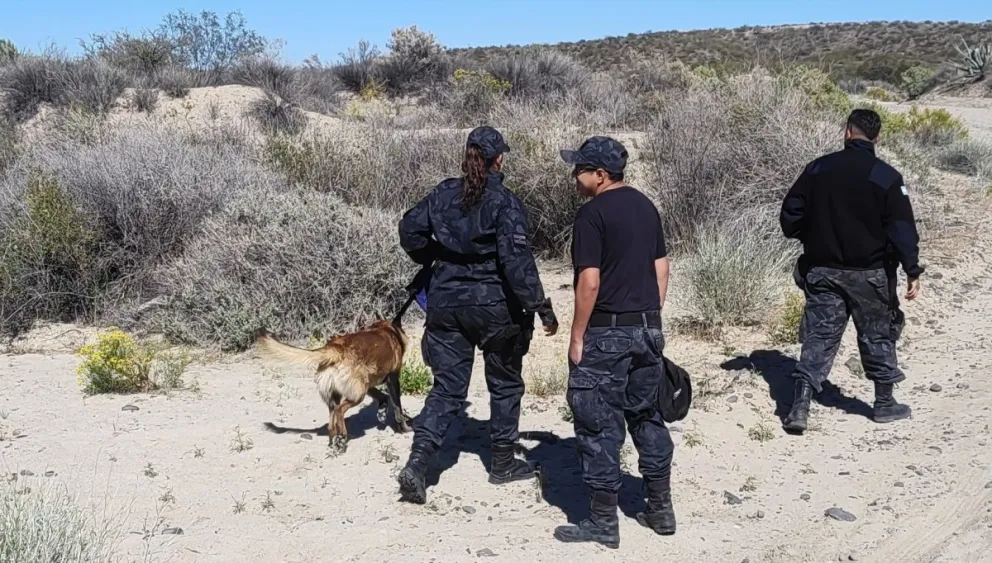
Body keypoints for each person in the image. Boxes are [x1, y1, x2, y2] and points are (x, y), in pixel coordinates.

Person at [395, 126, 559, 504]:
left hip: (446, 304)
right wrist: (540, 307)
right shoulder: (504, 201)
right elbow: (517, 262)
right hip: (495, 307)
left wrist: (433, 255)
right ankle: (502, 463)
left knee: (448, 388)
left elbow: (409, 230)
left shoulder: (442, 194)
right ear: (498, 159)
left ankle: (418, 464)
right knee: (504, 383)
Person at [551, 136, 676, 549]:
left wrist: (577, 336)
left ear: (600, 176)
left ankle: (603, 521)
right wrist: (648, 318)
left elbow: (589, 283)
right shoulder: (646, 206)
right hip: (647, 329)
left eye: (580, 170)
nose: (575, 176)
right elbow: (662, 269)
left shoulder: (592, 216)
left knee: (598, 422)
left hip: (607, 333)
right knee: (646, 415)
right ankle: (660, 509)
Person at [780, 108, 923, 434]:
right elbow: (902, 230)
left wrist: (810, 235)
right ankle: (885, 404)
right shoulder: (886, 176)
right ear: (877, 138)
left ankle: (800, 407)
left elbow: (790, 216)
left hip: (822, 271)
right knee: (878, 334)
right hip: (869, 274)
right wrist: (912, 269)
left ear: (847, 132)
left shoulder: (817, 170)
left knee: (819, 337)